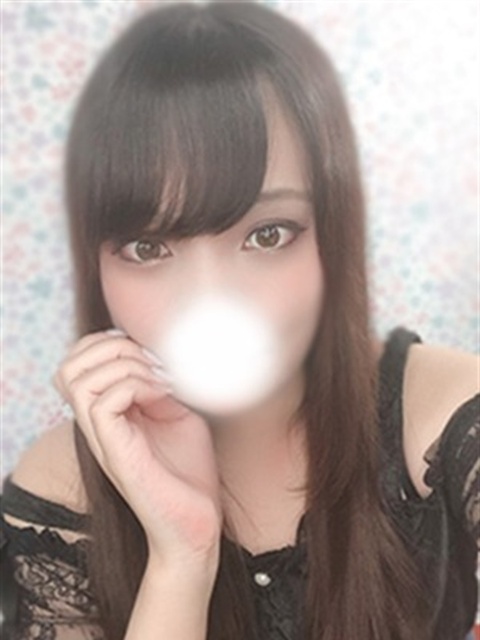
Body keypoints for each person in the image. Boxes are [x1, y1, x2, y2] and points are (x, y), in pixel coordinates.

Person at [1, 2, 478, 639]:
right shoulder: (61, 489)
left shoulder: (445, 418)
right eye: (148, 247)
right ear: (97, 266)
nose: (210, 300)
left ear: (332, 235)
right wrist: (182, 558)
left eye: (267, 234)